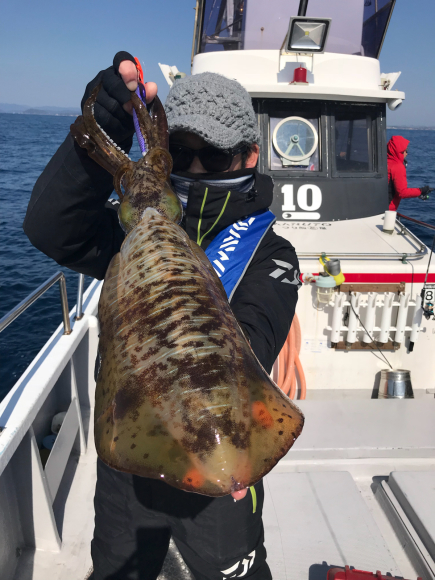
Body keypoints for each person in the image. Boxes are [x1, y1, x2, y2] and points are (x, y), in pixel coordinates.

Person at [23, 51, 300, 580]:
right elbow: (50, 228)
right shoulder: (128, 232)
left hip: (221, 464)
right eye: (182, 152)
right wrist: (105, 126)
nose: (194, 168)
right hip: (128, 473)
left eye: (213, 156)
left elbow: (253, 342)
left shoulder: (272, 254)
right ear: (164, 154)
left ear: (249, 157)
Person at [387, 135, 430, 211]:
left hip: (377, 205)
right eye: (406, 150)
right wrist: (421, 191)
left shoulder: (384, 162)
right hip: (388, 209)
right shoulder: (398, 167)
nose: (407, 153)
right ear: (399, 151)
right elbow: (402, 192)